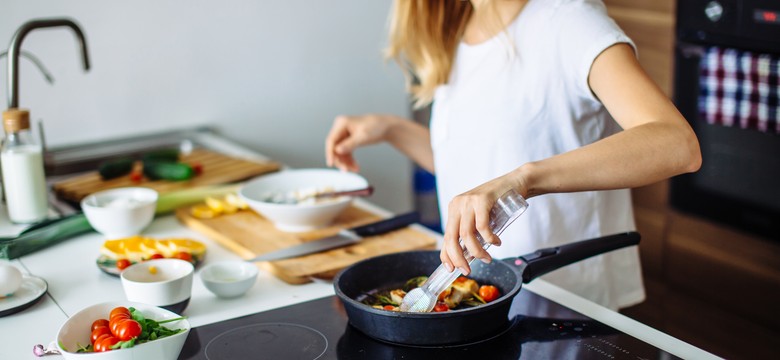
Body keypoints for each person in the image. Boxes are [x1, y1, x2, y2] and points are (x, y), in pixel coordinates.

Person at [325, 0, 701, 310]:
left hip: (563, 300)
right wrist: (392, 129)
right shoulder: (460, 28)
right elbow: (475, 168)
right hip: (480, 298)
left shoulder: (570, 21)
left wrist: (523, 180)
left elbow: (676, 145)